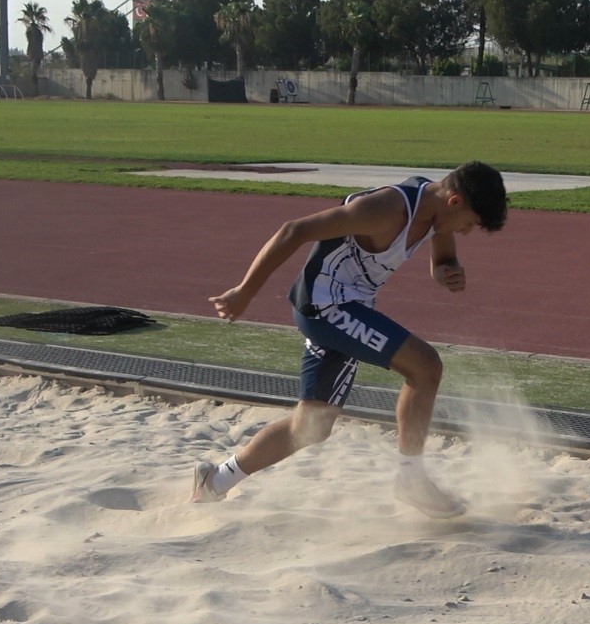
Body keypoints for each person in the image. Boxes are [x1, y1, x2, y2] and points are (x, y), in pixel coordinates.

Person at [190, 161, 508, 518]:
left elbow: (443, 260)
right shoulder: (385, 209)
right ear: (455, 202)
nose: (466, 232)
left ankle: (215, 481)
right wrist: (245, 291)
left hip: (348, 307)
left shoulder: (436, 214)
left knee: (311, 427)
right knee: (425, 366)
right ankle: (411, 479)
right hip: (325, 306)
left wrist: (448, 274)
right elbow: (294, 230)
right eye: (469, 224)